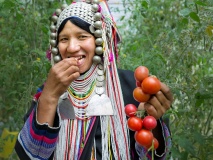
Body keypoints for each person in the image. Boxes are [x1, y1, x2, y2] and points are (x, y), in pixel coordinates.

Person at [15, 0, 173, 159]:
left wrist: (152, 120)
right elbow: (30, 156)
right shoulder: (50, 90)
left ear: (101, 40)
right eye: (63, 39)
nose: (71, 47)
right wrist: (49, 97)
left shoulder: (131, 86)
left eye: (82, 36)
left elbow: (153, 153)